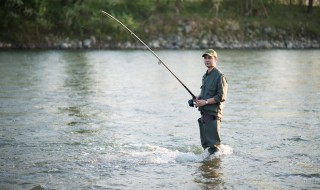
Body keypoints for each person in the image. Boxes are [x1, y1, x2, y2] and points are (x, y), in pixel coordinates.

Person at [195, 49, 228, 154]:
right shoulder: (205, 76)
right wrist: (197, 98)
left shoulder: (220, 76)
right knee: (206, 146)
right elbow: (203, 91)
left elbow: (221, 96)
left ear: (215, 59)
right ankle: (207, 168)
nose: (207, 60)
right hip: (204, 115)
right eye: (205, 58)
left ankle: (216, 169)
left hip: (213, 116)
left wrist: (205, 102)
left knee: (214, 148)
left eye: (210, 58)